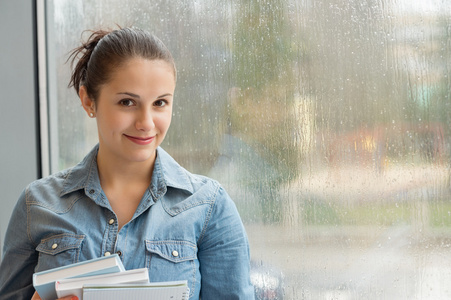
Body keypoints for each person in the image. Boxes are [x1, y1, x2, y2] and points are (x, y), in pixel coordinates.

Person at [0, 27, 254, 300]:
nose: (146, 123)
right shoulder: (37, 204)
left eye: (160, 103)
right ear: (88, 101)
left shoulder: (209, 207)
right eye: (127, 102)